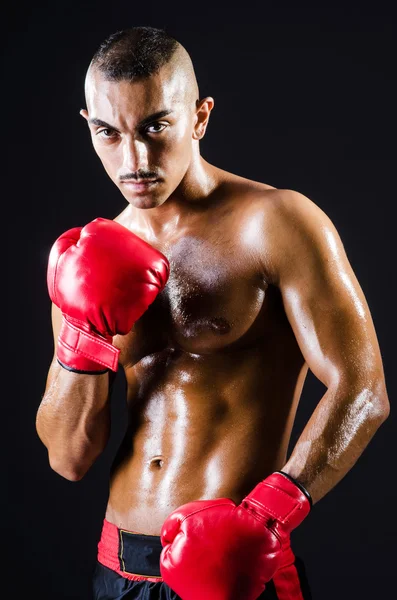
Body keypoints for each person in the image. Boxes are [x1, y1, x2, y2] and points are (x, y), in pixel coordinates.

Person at [36, 25, 390, 600]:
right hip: (117, 564)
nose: (135, 159)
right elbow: (69, 458)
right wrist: (82, 334)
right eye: (109, 133)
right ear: (89, 127)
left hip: (233, 564)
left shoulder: (277, 223)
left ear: (199, 117)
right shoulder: (83, 260)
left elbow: (363, 389)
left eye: (156, 127)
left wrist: (268, 517)